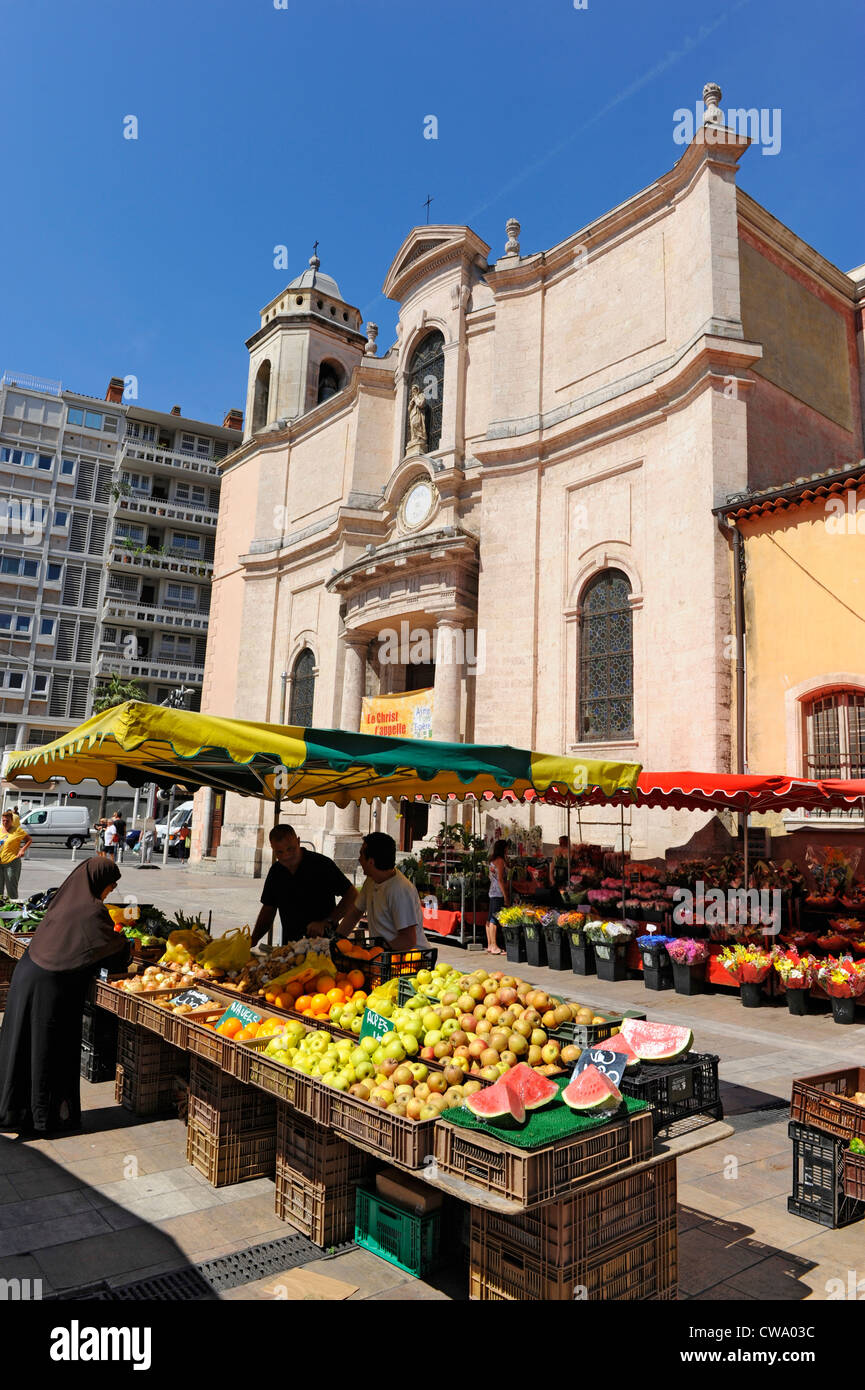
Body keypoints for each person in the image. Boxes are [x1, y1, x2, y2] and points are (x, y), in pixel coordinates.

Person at [0, 858, 131, 1136]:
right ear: (99, 881)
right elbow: (112, 951)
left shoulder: (65, 899)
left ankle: (16, 1112)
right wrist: (128, 945)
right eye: (112, 884)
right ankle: (44, 1119)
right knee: (49, 1051)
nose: (112, 890)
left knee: (23, 1046)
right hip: (49, 989)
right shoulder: (92, 911)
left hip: (27, 976)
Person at [252, 824, 357, 948]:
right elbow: (268, 911)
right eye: (279, 852)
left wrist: (327, 921)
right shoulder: (276, 872)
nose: (286, 856)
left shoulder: (322, 864)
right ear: (272, 849)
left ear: (298, 841)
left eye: (290, 849)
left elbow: (352, 895)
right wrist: (252, 940)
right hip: (291, 948)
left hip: (325, 945)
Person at [340, 832, 429, 951]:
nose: (359, 859)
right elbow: (355, 913)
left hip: (409, 959)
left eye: (361, 854)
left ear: (371, 862)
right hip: (383, 956)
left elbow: (408, 940)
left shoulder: (400, 890)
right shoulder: (371, 880)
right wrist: (336, 940)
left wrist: (377, 951)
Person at [0, 810, 32, 899]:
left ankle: (13, 910)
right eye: (3, 820)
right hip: (0, 862)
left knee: (11, 889)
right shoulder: (0, 830)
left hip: (12, 863)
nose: (5, 822)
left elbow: (29, 840)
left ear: (12, 821)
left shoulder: (17, 830)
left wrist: (22, 850)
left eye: (7, 821)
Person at [486, 838, 510, 955]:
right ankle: (494, 945)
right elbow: (500, 879)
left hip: (492, 890)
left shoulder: (492, 860)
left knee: (490, 918)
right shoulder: (500, 861)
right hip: (498, 892)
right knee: (494, 918)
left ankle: (490, 944)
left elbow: (490, 876)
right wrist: (505, 895)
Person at [549, 835, 572, 900]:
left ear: (567, 842)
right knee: (556, 897)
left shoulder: (571, 851)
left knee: (565, 897)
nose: (560, 843)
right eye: (560, 842)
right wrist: (552, 880)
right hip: (557, 878)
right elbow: (552, 867)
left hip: (566, 878)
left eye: (562, 842)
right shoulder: (556, 851)